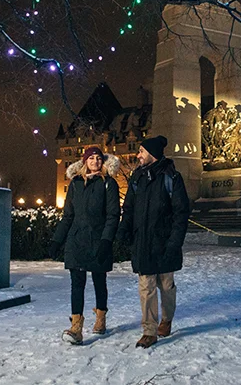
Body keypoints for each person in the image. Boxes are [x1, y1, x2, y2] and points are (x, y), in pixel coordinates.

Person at [119, 135, 191, 348]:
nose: (138, 155)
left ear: (152, 154)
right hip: (143, 241)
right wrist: (124, 230)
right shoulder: (137, 177)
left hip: (165, 241)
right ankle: (149, 330)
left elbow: (181, 213)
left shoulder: (172, 178)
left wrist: (174, 242)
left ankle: (166, 319)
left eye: (141, 151)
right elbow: (129, 208)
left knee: (166, 285)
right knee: (146, 286)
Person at [49, 146, 121, 345]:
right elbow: (68, 216)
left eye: (99, 158)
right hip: (77, 240)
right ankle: (76, 327)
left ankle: (100, 317)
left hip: (98, 239)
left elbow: (113, 215)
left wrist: (107, 240)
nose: (95, 161)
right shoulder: (75, 184)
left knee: (99, 280)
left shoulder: (109, 184)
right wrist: (57, 239)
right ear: (85, 162)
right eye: (91, 158)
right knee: (77, 284)